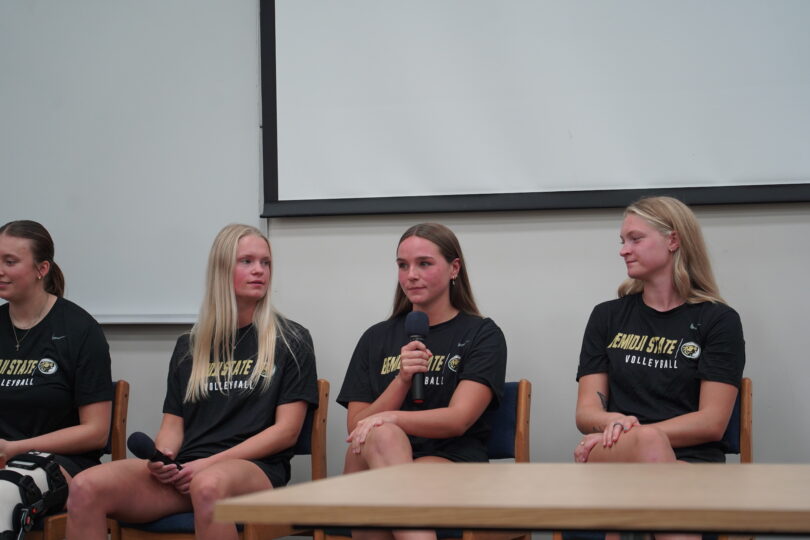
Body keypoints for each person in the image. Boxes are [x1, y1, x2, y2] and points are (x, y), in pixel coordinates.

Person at [66, 224, 318, 540]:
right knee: (85, 486)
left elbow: (286, 432)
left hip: (255, 471)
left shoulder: (291, 339)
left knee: (208, 484)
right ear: (221, 269)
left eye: (265, 262)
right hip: (189, 470)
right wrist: (164, 459)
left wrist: (207, 465)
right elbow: (173, 425)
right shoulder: (190, 344)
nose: (259, 271)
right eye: (247, 261)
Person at [337, 222, 507, 540]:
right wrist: (401, 380)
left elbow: (458, 420)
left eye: (424, 264)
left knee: (383, 462)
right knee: (378, 438)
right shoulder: (375, 338)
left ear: (454, 268)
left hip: (451, 460)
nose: (410, 275)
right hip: (376, 457)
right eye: (403, 265)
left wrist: (391, 417)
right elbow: (355, 427)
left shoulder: (481, 334)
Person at [574, 196, 745, 468]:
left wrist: (644, 435)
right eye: (623, 241)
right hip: (616, 450)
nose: (624, 251)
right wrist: (617, 426)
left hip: (692, 459)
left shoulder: (718, 320)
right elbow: (586, 412)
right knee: (651, 445)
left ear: (673, 241)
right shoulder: (606, 316)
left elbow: (712, 423)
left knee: (653, 444)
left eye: (635, 239)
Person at [0, 219, 113, 481]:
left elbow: (96, 431)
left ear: (42, 268)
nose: (0, 270)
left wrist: (14, 449)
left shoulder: (80, 330)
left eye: (10, 261)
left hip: (58, 462)